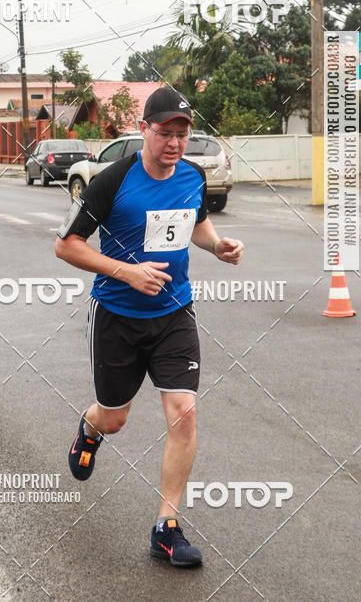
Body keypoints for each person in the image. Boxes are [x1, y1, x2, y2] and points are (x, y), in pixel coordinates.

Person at [55, 86, 244, 568]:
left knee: (185, 413)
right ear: (144, 130)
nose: (175, 143)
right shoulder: (111, 181)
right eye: (165, 133)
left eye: (183, 134)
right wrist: (126, 272)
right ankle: (91, 428)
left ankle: (166, 527)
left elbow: (195, 224)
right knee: (115, 418)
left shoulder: (193, 176)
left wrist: (216, 245)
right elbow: (67, 245)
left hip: (174, 313)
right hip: (117, 316)